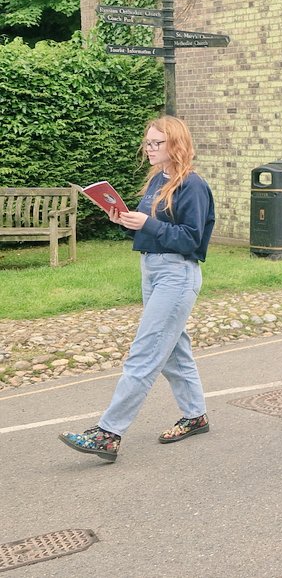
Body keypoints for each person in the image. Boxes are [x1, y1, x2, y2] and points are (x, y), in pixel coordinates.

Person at [59, 116, 215, 462]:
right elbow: (153, 230)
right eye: (147, 143)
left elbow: (192, 239)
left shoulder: (192, 185)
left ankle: (108, 433)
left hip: (177, 272)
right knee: (174, 350)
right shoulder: (158, 181)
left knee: (144, 353)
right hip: (153, 269)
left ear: (177, 144)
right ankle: (196, 415)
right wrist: (128, 222)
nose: (150, 149)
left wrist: (149, 224)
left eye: (157, 143)